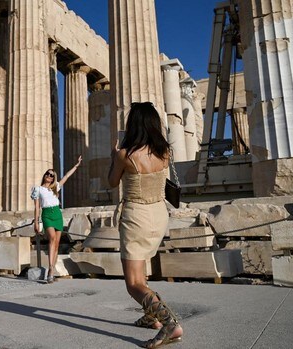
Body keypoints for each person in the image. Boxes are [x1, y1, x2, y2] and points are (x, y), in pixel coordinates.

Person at [107, 102, 182, 348]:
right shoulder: (165, 152)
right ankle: (153, 318)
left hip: (136, 216)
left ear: (133, 125)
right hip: (159, 214)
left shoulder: (125, 155)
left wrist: (113, 155)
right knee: (143, 272)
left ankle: (170, 324)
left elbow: (111, 182)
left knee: (133, 283)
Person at [31, 155, 82, 284]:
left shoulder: (55, 188)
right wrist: (36, 222)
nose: (50, 176)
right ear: (44, 175)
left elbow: (66, 177)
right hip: (47, 214)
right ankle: (50, 270)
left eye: (52, 175)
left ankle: (52, 270)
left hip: (57, 214)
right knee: (52, 238)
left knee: (57, 243)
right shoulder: (38, 189)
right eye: (48, 174)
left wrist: (76, 166)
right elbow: (37, 207)